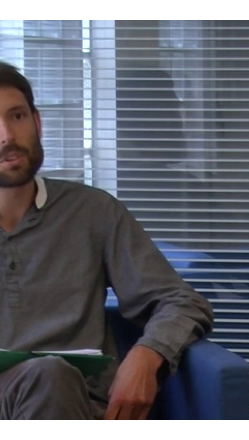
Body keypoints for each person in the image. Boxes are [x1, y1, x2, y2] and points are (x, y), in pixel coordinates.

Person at [0, 61, 214, 419]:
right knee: (46, 375)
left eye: (17, 116)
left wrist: (147, 354)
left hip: (79, 406)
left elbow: (181, 301)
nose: (7, 135)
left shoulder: (91, 212)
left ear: (37, 123)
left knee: (50, 375)